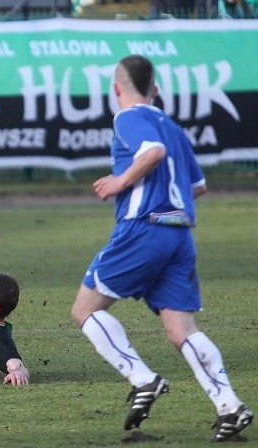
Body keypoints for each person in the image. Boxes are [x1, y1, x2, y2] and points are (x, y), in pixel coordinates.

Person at [70, 55, 253, 442]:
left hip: (144, 229)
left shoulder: (127, 117)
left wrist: (120, 183)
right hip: (178, 233)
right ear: (155, 90)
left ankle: (143, 379)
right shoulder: (174, 127)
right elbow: (198, 186)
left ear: (117, 88)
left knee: (84, 309)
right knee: (181, 330)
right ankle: (230, 407)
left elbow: (151, 153)